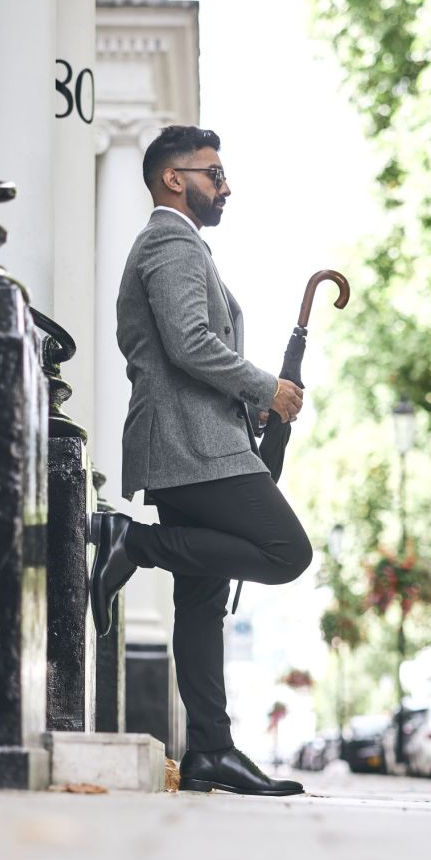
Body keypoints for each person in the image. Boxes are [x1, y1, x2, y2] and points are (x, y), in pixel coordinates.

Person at [90, 125, 312, 796]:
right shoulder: (170, 242)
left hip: (195, 439)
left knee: (202, 602)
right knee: (285, 552)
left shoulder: (179, 246)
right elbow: (188, 343)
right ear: (172, 178)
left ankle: (210, 751)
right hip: (194, 447)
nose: (225, 186)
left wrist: (254, 411)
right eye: (213, 174)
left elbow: (180, 349)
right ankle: (137, 543)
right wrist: (261, 388)